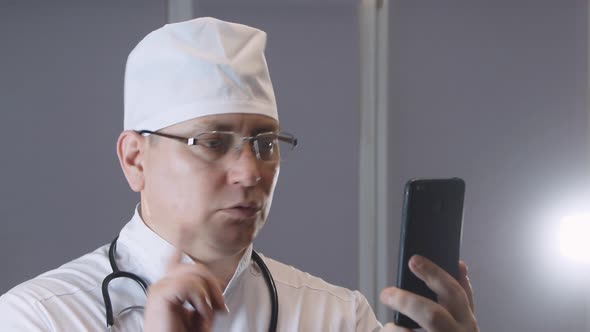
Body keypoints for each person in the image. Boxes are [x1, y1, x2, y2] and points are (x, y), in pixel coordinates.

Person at [0, 17, 479, 332]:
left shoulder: (337, 317)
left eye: (266, 144)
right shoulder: (40, 317)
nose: (251, 172)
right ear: (135, 159)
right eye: (211, 142)